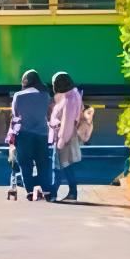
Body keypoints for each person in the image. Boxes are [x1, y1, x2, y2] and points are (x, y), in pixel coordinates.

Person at [8, 69, 52, 202]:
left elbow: (15, 115)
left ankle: (29, 191)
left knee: (25, 164)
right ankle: (46, 190)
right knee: (42, 163)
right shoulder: (45, 95)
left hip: (24, 134)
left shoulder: (19, 95)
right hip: (41, 134)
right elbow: (48, 114)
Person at [49, 71, 85, 201]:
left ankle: (53, 193)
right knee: (67, 166)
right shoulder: (74, 94)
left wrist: (61, 141)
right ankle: (72, 193)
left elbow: (67, 121)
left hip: (63, 137)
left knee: (58, 167)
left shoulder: (69, 99)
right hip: (67, 135)